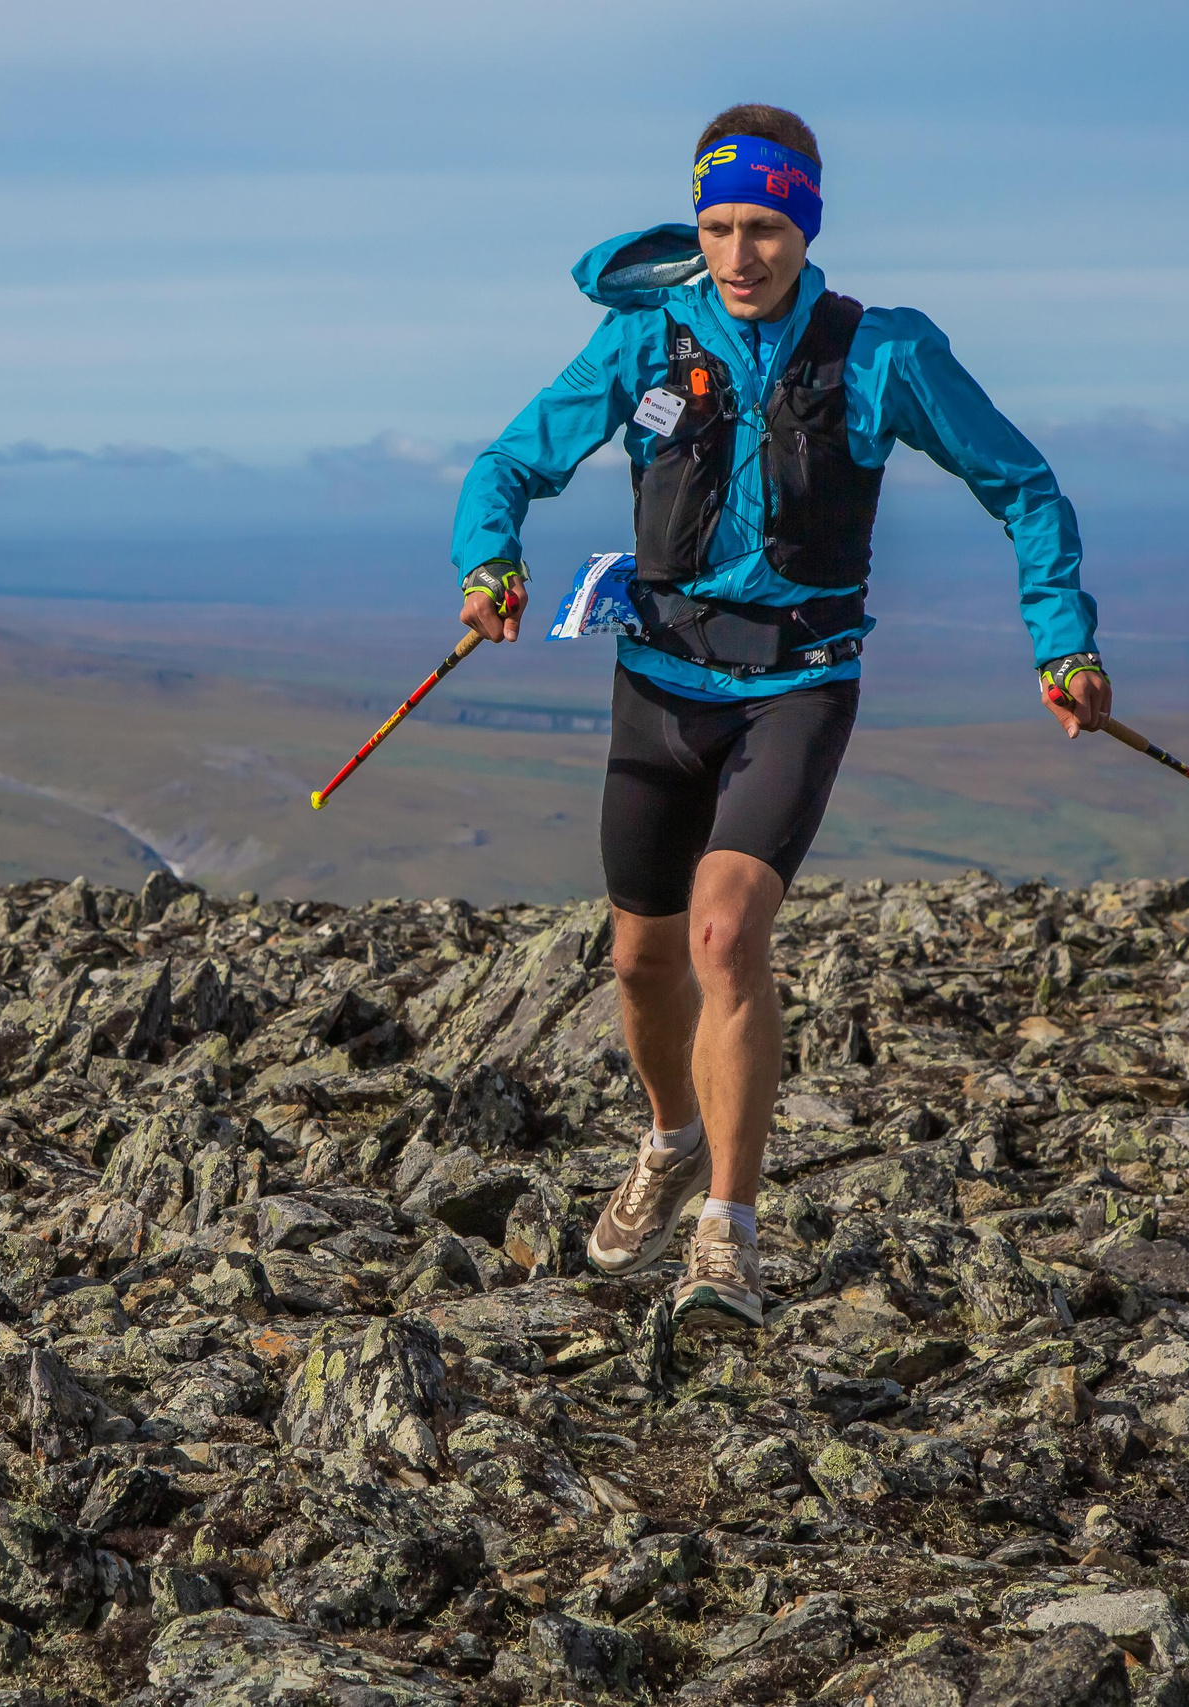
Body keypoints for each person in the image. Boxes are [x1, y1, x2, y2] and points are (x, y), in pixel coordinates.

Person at [449, 102, 1108, 1325]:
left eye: (761, 227)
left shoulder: (885, 355)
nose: (738, 254)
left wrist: (1060, 641)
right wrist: (490, 562)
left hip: (799, 683)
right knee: (642, 964)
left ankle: (727, 1237)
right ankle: (669, 1142)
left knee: (722, 935)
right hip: (659, 681)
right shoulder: (641, 342)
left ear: (805, 225)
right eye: (716, 228)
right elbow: (507, 465)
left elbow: (1022, 486)